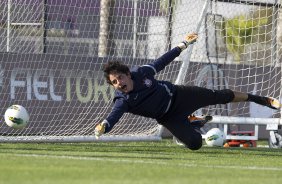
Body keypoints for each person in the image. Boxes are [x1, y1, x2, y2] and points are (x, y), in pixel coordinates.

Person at [94, 33, 281, 150]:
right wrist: (104, 126)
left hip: (180, 95)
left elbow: (161, 61)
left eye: (120, 78)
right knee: (195, 144)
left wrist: (182, 45)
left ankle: (260, 99)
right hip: (168, 118)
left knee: (220, 96)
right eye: (114, 82)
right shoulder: (122, 101)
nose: (119, 83)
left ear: (128, 74)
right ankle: (193, 122)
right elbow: (113, 116)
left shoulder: (142, 73)